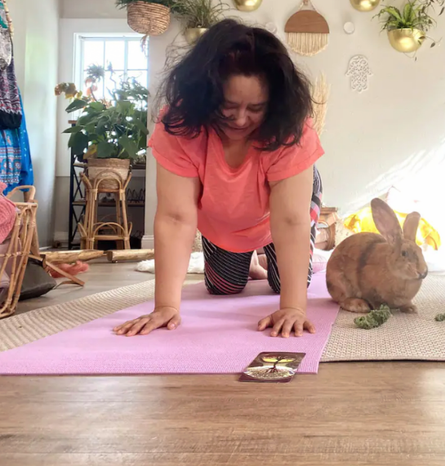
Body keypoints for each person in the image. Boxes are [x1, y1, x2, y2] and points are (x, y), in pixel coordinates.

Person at [113, 19, 324, 339]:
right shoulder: (180, 125)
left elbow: (290, 220)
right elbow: (174, 217)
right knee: (224, 287)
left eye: (256, 108)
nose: (241, 119)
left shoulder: (291, 128)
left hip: (279, 212)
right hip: (220, 213)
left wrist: (294, 307)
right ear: (205, 96)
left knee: (286, 286)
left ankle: (268, 256)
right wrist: (166, 306)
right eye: (228, 107)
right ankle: (249, 262)